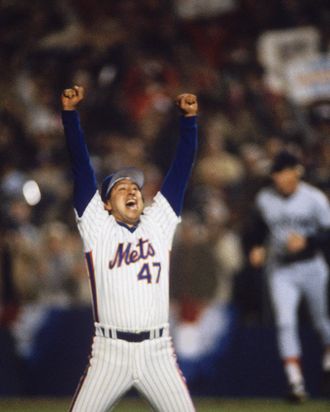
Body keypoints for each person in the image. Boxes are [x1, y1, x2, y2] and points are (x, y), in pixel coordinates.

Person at [60, 85, 198, 411]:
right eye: (121, 187)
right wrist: (70, 116)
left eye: (135, 186)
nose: (131, 189)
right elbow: (81, 168)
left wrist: (189, 122)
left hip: (157, 351)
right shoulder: (97, 225)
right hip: (109, 352)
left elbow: (180, 172)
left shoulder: (159, 223)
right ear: (106, 204)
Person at [246, 149, 330, 402]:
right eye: (276, 173)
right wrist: (257, 246)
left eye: (282, 172)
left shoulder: (314, 198)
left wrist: (308, 241)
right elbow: (258, 228)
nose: (278, 178)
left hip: (311, 266)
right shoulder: (265, 198)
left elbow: (328, 233)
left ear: (296, 172)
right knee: (284, 322)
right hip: (281, 268)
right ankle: (295, 383)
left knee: (321, 322)